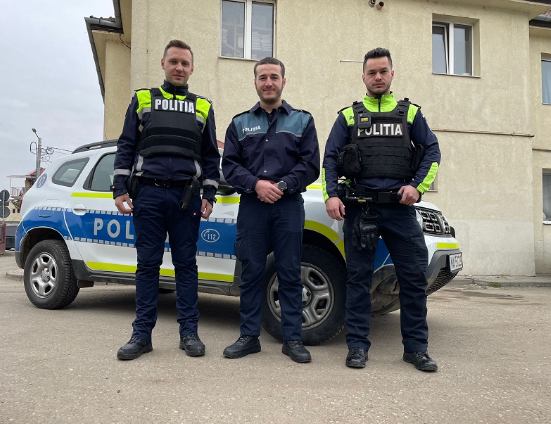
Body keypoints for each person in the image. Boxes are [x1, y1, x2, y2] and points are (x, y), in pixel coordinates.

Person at [322, 47, 441, 371]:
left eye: (383, 71)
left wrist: (417, 187)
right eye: (372, 72)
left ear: (392, 74)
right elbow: (330, 158)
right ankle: (357, 347)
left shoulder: (411, 114)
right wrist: (331, 195)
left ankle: (416, 349)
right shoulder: (348, 116)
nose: (378, 77)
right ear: (363, 76)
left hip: (400, 210)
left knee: (413, 280)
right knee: (358, 280)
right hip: (360, 209)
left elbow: (432, 152)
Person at [112, 40, 220, 360]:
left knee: (186, 266)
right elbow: (126, 146)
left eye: (185, 63)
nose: (179, 68)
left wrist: (210, 194)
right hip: (148, 194)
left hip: (186, 196)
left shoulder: (203, 107)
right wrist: (119, 188)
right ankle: (141, 335)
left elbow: (210, 156)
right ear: (163, 63)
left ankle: (189, 333)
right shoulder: (143, 99)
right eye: (173, 61)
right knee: (148, 266)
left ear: (192, 68)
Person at [221, 57, 320, 363]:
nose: (268, 82)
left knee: (289, 272)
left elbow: (310, 165)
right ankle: (249, 337)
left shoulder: (303, 121)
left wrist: (282, 186)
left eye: (274, 77)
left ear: (283, 82)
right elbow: (230, 166)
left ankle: (292, 339)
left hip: (288, 205)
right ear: (255, 82)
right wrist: (256, 185)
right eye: (262, 77)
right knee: (251, 272)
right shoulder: (239, 124)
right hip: (253, 206)